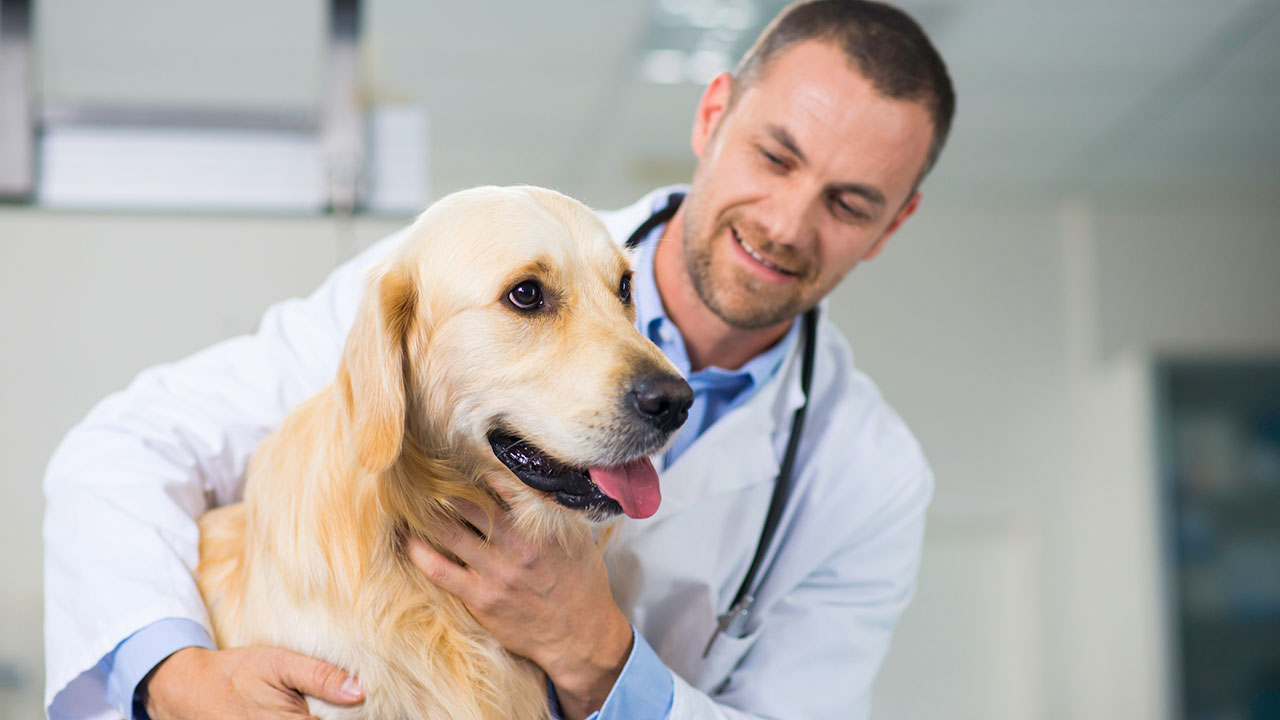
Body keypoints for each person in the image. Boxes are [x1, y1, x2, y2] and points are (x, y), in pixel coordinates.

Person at [43, 1, 955, 718]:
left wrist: (595, 652)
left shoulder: (870, 479)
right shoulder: (456, 268)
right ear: (714, 113)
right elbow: (130, 445)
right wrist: (168, 673)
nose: (787, 224)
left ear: (894, 224)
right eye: (775, 154)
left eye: (849, 202)